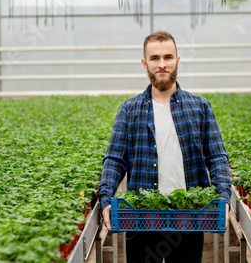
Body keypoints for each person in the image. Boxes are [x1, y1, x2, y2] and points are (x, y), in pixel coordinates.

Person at [99, 31, 232, 263]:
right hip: (141, 220)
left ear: (177, 60)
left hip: (189, 219)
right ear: (145, 63)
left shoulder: (200, 107)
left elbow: (216, 157)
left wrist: (224, 197)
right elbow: (115, 160)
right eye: (155, 58)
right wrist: (106, 199)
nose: (162, 64)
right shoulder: (129, 110)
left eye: (168, 57)